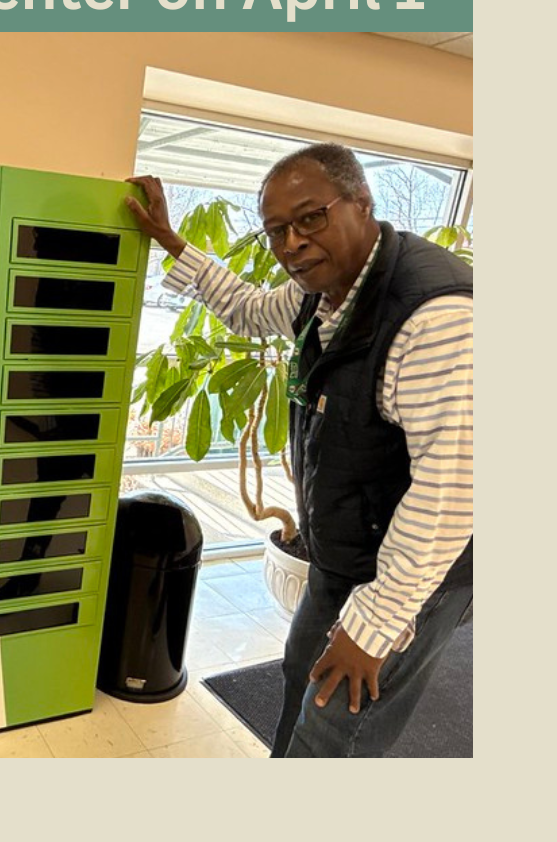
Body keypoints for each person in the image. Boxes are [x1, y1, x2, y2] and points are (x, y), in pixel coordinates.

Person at [125, 144, 473, 758]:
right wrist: (172, 243)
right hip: (344, 548)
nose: (291, 243)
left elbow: (452, 492)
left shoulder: (435, 317)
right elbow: (251, 309)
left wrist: (375, 627)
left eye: (310, 218)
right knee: (298, 677)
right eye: (276, 230)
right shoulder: (324, 289)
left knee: (334, 731)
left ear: (363, 204)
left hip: (417, 572)